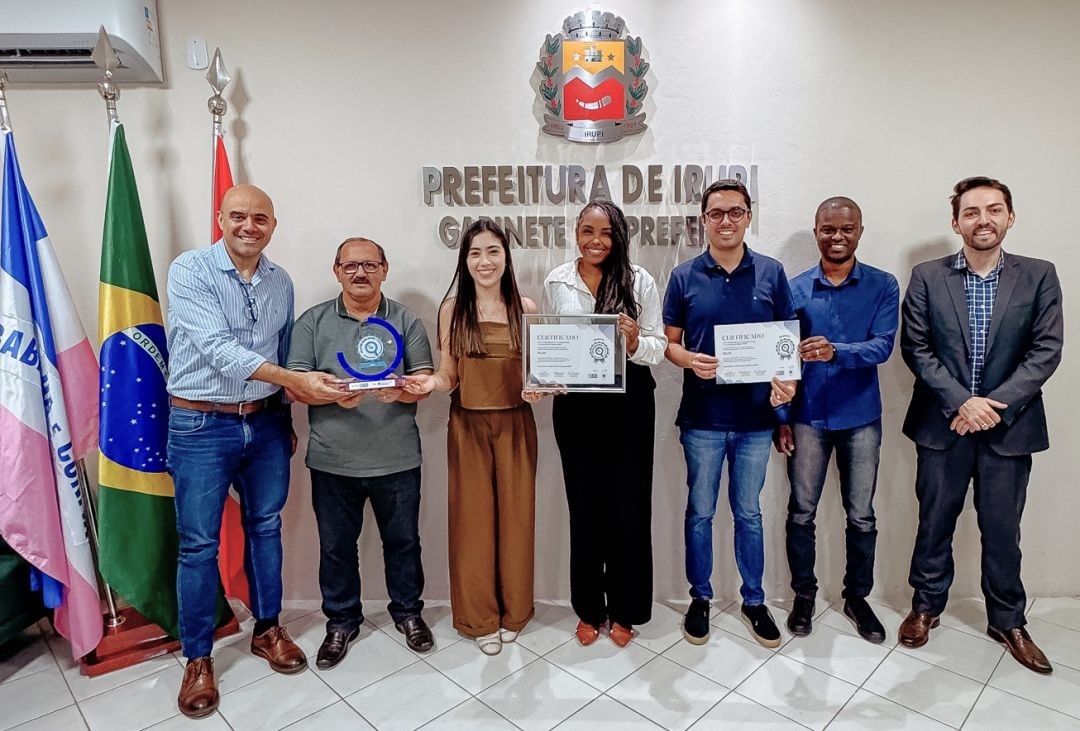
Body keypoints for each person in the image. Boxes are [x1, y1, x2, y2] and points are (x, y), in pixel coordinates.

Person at [166, 184, 344, 718]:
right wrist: (297, 380)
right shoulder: (190, 270)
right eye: (238, 216)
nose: (249, 226)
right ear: (221, 217)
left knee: (266, 527)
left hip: (265, 424)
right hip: (200, 424)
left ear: (273, 224)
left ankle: (267, 629)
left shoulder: (280, 282)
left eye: (260, 218)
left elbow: (279, 353)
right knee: (198, 545)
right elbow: (220, 351)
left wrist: (287, 415)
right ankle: (198, 658)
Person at [898, 176, 1063, 674]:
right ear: (956, 223)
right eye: (971, 212)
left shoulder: (1038, 275)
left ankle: (1008, 620)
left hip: (1010, 429)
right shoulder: (927, 276)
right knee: (933, 524)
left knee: (1002, 529)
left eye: (994, 210)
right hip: (942, 426)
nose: (983, 219)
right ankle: (926, 607)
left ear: (1010, 217)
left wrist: (992, 405)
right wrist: (961, 403)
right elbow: (917, 348)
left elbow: (1045, 351)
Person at [286, 237, 436, 669]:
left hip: (398, 458)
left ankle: (408, 614)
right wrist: (329, 396)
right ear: (336, 271)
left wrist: (405, 390)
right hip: (333, 459)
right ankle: (341, 622)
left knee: (404, 543)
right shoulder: (312, 322)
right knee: (335, 547)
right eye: (350, 265)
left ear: (385, 270)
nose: (360, 273)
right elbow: (296, 384)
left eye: (370, 264)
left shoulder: (406, 320)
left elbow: (424, 376)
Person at [663, 179, 797, 648]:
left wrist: (789, 385)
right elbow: (669, 345)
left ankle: (754, 601)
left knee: (749, 514)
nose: (726, 221)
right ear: (703, 220)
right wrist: (689, 360)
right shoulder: (683, 277)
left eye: (735, 212)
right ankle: (699, 598)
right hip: (702, 418)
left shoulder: (772, 273)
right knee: (699, 513)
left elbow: (786, 342)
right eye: (716, 213)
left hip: (757, 420)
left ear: (748, 217)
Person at [403, 220, 539, 655]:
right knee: (473, 524)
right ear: (464, 260)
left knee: (517, 521)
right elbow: (448, 373)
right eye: (476, 253)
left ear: (506, 257)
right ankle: (479, 619)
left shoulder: (527, 308)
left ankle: (515, 611)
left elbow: (537, 378)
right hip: (467, 427)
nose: (485, 261)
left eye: (493, 251)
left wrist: (539, 390)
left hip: (516, 426)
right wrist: (429, 384)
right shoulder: (451, 309)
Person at [541, 200, 667, 648]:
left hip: (630, 403)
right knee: (586, 509)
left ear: (619, 237)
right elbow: (551, 344)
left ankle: (628, 610)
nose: (596, 241)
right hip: (576, 406)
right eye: (587, 231)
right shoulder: (558, 279)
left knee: (629, 511)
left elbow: (658, 347)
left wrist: (634, 341)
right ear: (575, 232)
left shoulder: (640, 280)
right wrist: (544, 376)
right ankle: (590, 609)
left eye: (606, 233)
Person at [774, 197, 899, 643]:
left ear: (860, 230)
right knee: (801, 512)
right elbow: (780, 359)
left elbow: (883, 347)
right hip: (806, 417)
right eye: (828, 228)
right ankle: (804, 595)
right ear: (816, 231)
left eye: (846, 228)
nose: (837, 236)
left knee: (861, 515)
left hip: (861, 417)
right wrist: (781, 416)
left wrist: (837, 352)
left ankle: (857, 598)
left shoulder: (883, 285)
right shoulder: (794, 288)